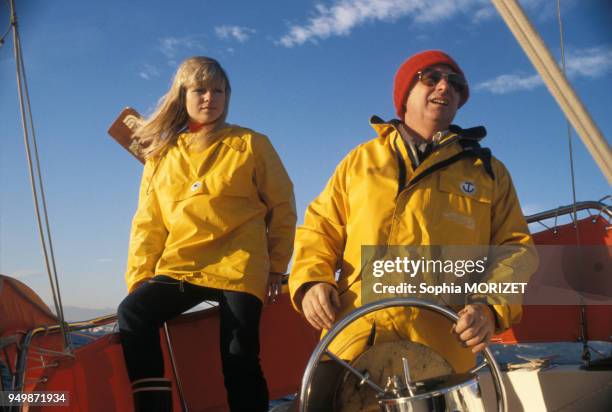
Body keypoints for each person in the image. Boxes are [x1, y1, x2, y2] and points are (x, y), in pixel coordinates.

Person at [289, 50, 537, 374]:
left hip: (439, 353)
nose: (445, 87)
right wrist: (311, 281)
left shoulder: (487, 173)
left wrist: (489, 308)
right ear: (405, 94)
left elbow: (515, 250)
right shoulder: (360, 161)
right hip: (351, 344)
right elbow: (320, 228)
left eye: (455, 83)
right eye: (430, 78)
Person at [117, 56, 296, 412]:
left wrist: (276, 266)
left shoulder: (252, 144)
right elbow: (148, 222)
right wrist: (140, 276)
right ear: (182, 95)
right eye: (200, 90)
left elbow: (282, 206)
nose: (209, 98)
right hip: (182, 267)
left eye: (219, 90)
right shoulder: (161, 156)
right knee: (133, 313)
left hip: (239, 266)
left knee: (238, 356)